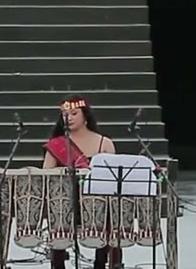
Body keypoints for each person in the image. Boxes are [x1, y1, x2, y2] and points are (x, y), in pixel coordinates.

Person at [42, 94, 120, 269]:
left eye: (74, 113)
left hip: (98, 203)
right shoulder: (57, 144)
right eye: (64, 115)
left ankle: (102, 262)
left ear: (85, 116)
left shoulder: (104, 143)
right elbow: (47, 177)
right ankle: (58, 262)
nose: (68, 118)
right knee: (59, 209)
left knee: (109, 209)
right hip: (66, 204)